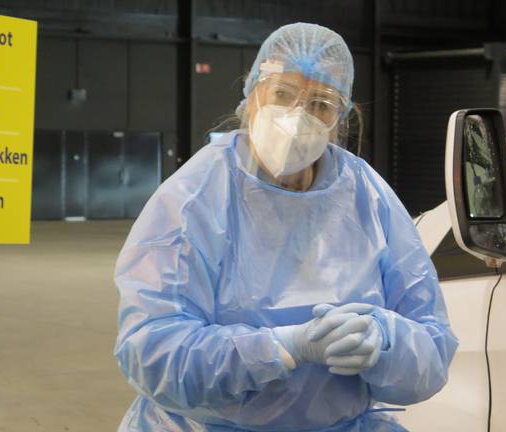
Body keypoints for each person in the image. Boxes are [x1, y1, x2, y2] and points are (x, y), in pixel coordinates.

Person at [113, 22, 458, 432]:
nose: (298, 118)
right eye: (283, 94)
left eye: (321, 104)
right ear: (253, 94)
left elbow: (433, 347)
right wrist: (281, 347)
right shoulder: (194, 198)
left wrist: (384, 342)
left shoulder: (368, 196)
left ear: (342, 117)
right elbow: (152, 351)